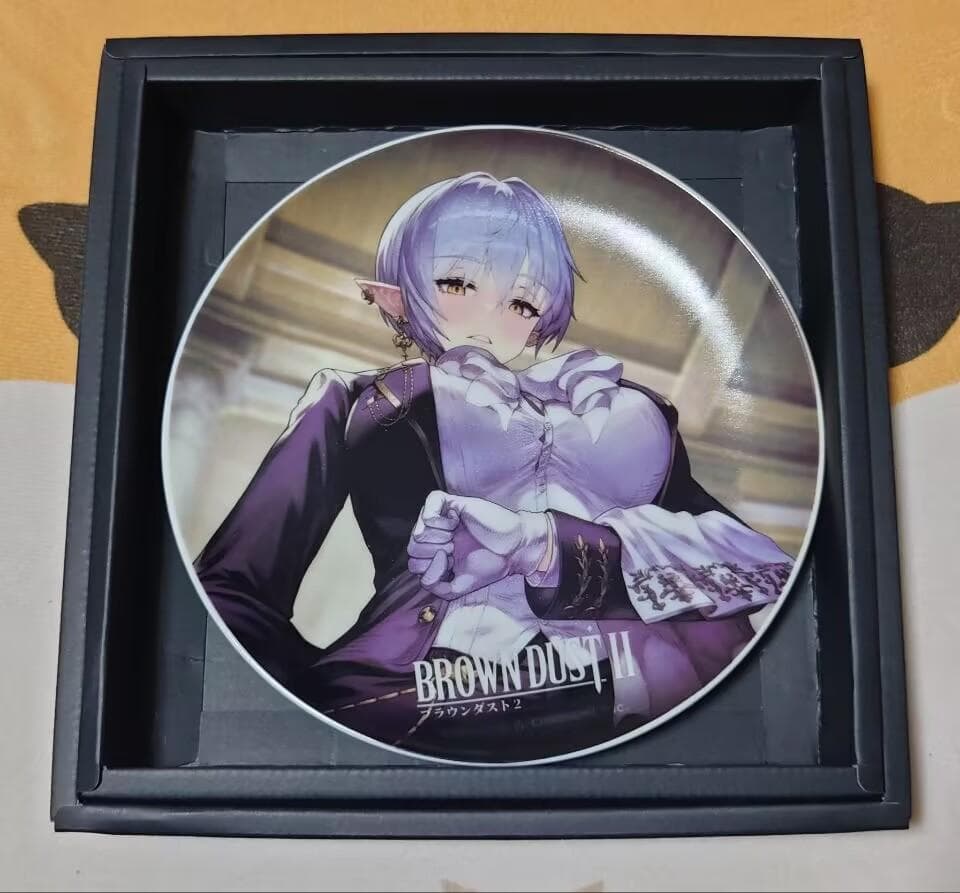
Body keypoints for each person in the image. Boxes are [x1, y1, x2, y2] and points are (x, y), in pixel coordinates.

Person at [195, 172, 793, 762]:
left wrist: (545, 546)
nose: (489, 315)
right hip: (424, 697)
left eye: (522, 301)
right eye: (457, 282)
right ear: (399, 293)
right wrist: (306, 726)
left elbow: (757, 567)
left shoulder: (630, 411)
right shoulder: (360, 404)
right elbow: (234, 591)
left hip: (642, 705)